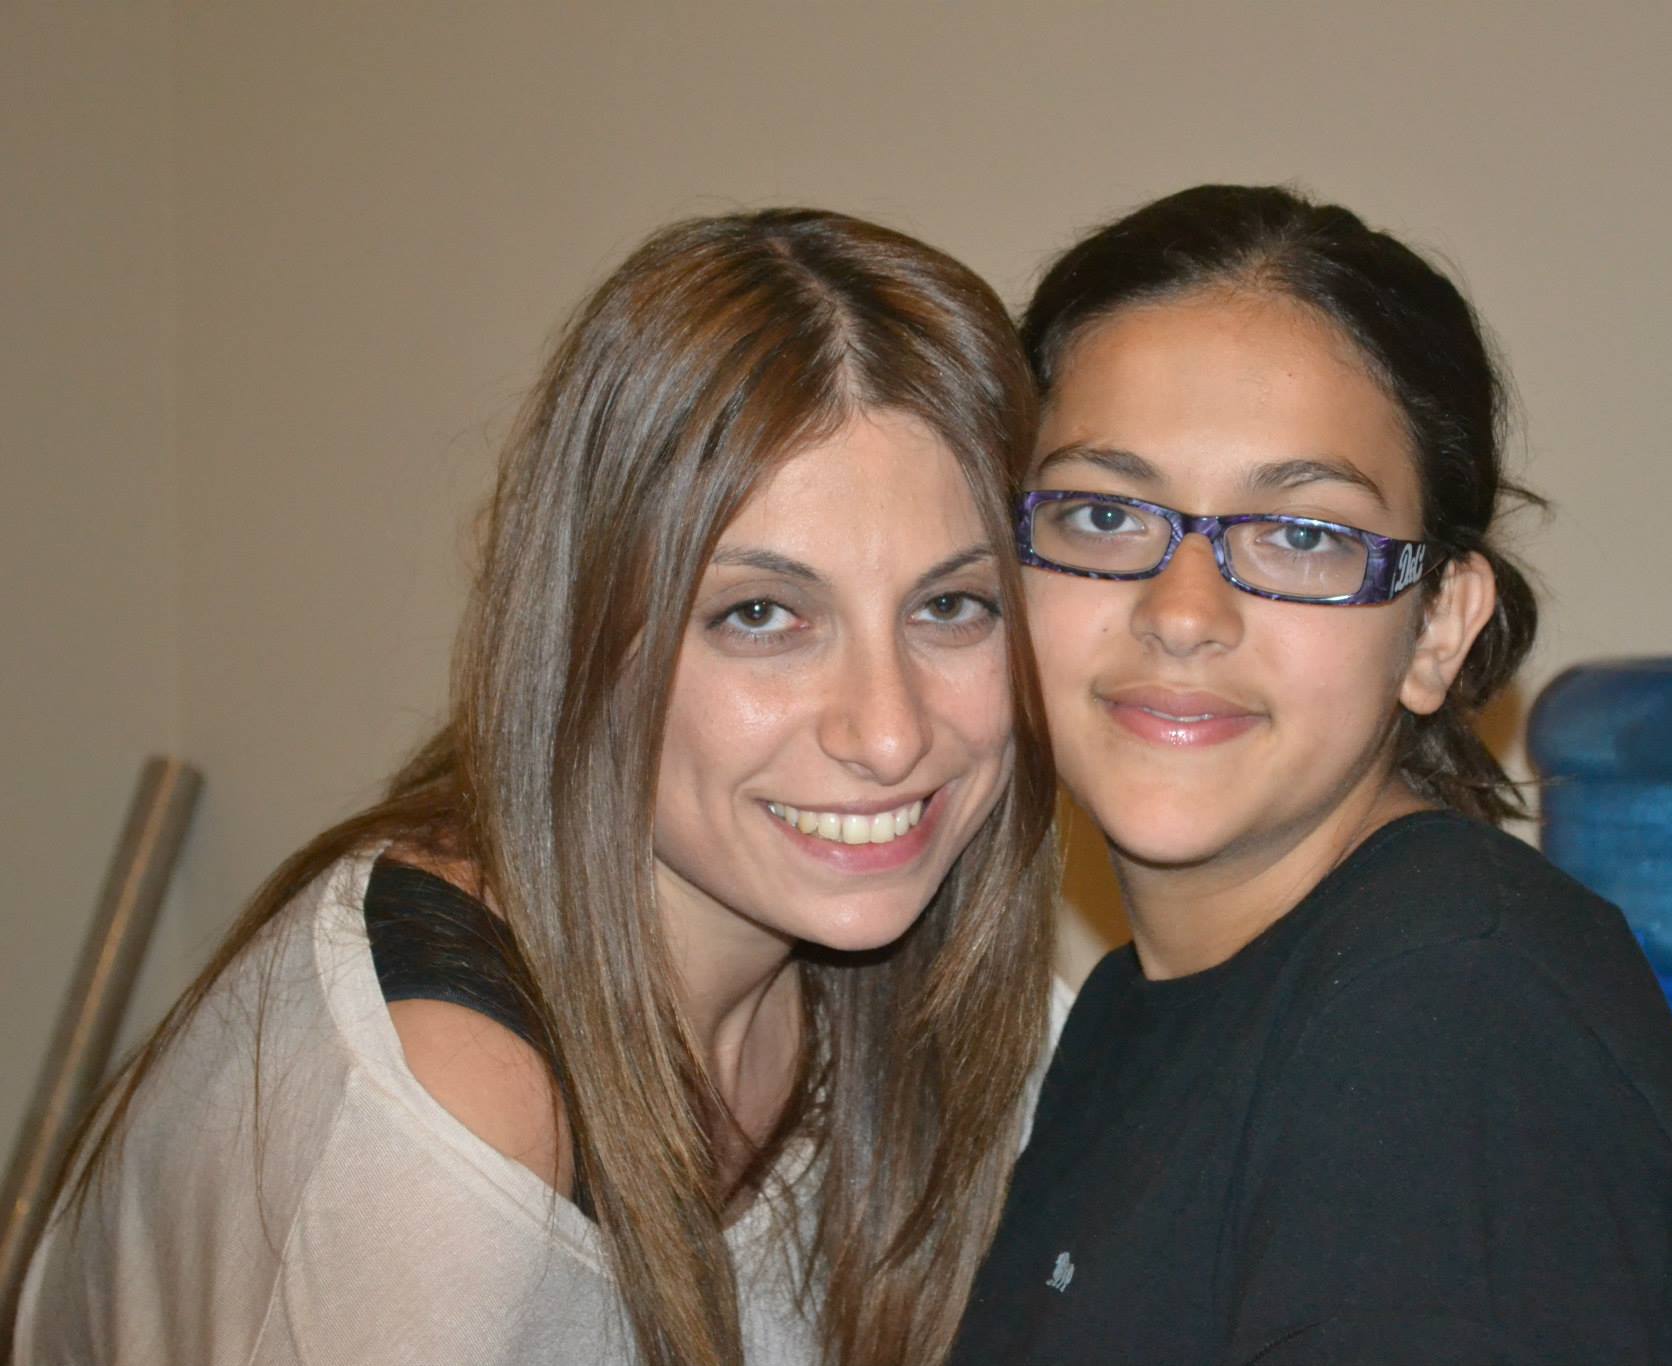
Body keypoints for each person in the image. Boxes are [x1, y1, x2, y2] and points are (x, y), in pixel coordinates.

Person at [16, 209, 1062, 1366]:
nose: (889, 731)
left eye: (951, 605)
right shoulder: (448, 1122)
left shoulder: (934, 987)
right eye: (761, 615)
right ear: (584, 638)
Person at [949, 185, 1672, 1365]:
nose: (1181, 612)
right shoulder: (1136, 1010)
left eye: (1301, 535)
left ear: (1436, 626)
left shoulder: (1443, 1024)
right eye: (1101, 514)